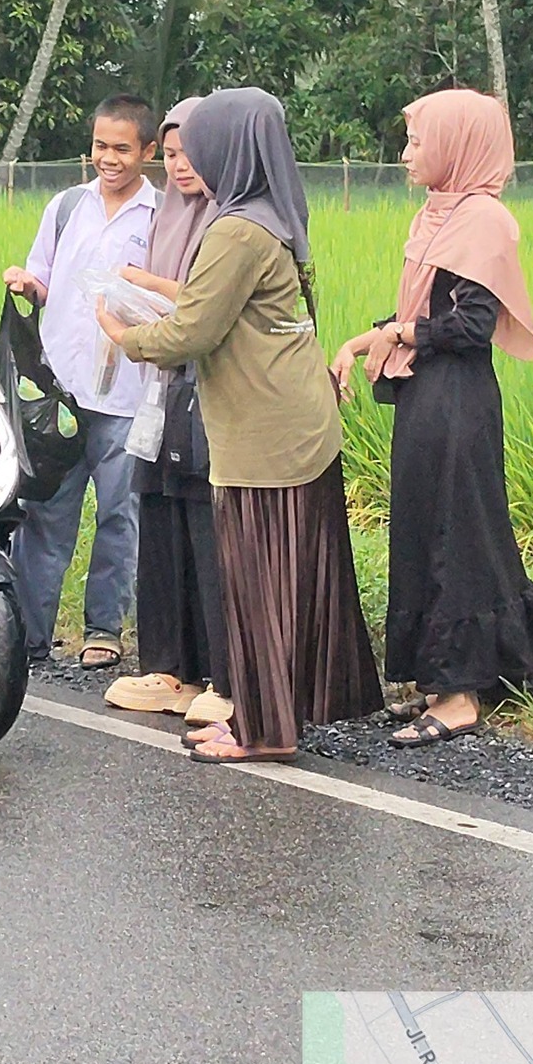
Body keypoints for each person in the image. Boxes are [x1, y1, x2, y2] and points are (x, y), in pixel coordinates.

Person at [98, 87, 381, 761]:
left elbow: (192, 329)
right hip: (293, 419)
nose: (191, 154)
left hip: (264, 429)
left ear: (231, 149)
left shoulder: (235, 230)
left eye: (204, 141)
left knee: (257, 579)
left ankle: (265, 730)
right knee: (291, 576)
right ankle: (282, 712)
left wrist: (121, 331)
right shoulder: (277, 215)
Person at [330, 89, 533, 747]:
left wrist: (397, 335)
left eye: (418, 141)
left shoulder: (482, 220)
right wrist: (360, 343)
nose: (407, 155)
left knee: (454, 533)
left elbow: (470, 325)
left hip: (457, 399)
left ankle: (461, 693)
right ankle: (448, 677)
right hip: (426, 395)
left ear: (459, 144)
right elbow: (425, 317)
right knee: (422, 526)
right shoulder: (441, 214)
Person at [3, 94, 159, 668]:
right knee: (46, 513)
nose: (109, 159)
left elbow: (169, 298)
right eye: (100, 146)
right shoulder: (67, 206)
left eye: (122, 148)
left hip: (127, 395)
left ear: (149, 151)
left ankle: (103, 630)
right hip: (61, 394)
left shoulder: (160, 216)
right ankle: (26, 634)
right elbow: (45, 275)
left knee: (121, 514)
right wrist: (27, 283)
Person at [102, 101, 233, 726]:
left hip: (211, 391)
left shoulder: (237, 219)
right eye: (174, 154)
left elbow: (210, 306)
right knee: (160, 517)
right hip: (160, 386)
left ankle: (223, 672)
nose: (181, 167)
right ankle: (168, 665)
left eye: (192, 153)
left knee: (208, 527)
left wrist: (149, 291)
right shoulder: (170, 214)